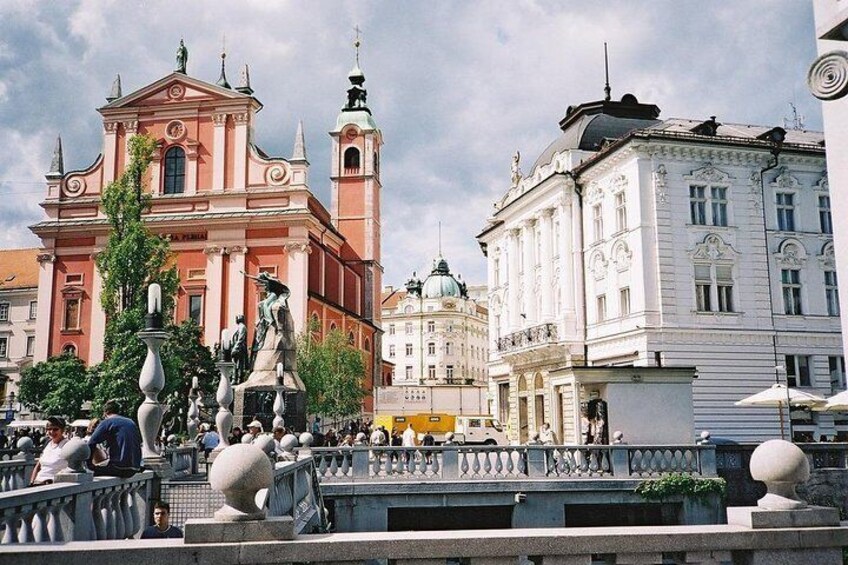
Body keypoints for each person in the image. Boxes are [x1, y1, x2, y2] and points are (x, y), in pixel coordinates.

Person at [87, 399, 142, 478]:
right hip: (135, 468)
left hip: (119, 467)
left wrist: (89, 464)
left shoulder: (107, 422)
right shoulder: (131, 422)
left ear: (105, 412)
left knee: (89, 473)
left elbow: (91, 443)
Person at [30, 416, 69, 485]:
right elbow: (38, 466)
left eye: (55, 429)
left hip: (53, 485)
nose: (51, 432)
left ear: (63, 430)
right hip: (38, 482)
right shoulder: (48, 444)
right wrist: (32, 482)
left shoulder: (68, 445)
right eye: (49, 429)